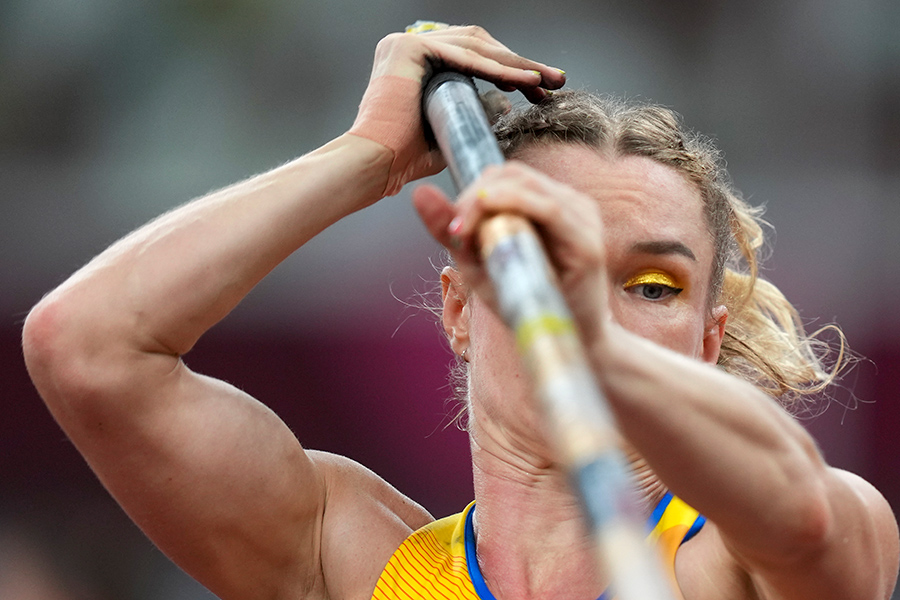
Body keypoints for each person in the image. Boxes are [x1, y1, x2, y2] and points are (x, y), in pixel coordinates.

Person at [22, 24, 898, 600]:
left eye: (653, 287)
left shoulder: (731, 567)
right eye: (545, 264)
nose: (593, 295)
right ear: (460, 309)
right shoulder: (355, 558)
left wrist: (592, 338)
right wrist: (365, 156)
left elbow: (808, 518)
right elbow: (86, 347)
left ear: (708, 345)